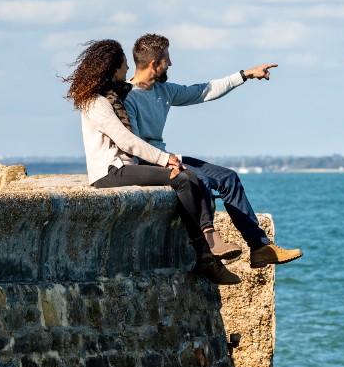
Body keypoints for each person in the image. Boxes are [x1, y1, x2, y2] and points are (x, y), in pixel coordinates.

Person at [64, 39, 240, 285]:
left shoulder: (114, 96)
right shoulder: (96, 102)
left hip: (127, 167)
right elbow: (125, 140)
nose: (127, 70)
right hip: (111, 171)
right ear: (112, 69)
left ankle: (210, 244)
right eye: (124, 65)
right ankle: (204, 254)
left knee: (190, 175)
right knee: (180, 179)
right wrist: (164, 158)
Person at [123, 33, 303, 269]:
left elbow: (203, 91)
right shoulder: (129, 97)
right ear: (154, 64)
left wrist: (245, 75)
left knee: (228, 178)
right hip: (152, 162)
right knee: (203, 179)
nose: (171, 64)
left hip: (168, 157)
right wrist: (165, 161)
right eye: (167, 59)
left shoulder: (163, 91)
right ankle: (211, 243)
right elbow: (134, 144)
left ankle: (261, 248)